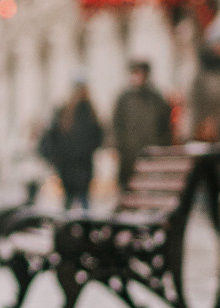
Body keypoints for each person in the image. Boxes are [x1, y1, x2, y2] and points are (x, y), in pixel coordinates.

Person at [38, 77, 105, 210]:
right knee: (72, 201)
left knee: (82, 200)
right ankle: (71, 228)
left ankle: (82, 227)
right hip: (69, 165)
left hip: (82, 164)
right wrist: (55, 157)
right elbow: (50, 136)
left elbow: (98, 136)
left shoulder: (89, 111)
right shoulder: (65, 111)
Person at [111, 60, 173, 190]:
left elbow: (165, 126)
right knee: (128, 186)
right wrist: (116, 146)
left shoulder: (155, 98)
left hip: (151, 152)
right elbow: (116, 124)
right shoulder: (124, 98)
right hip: (129, 154)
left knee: (149, 186)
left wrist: (162, 146)